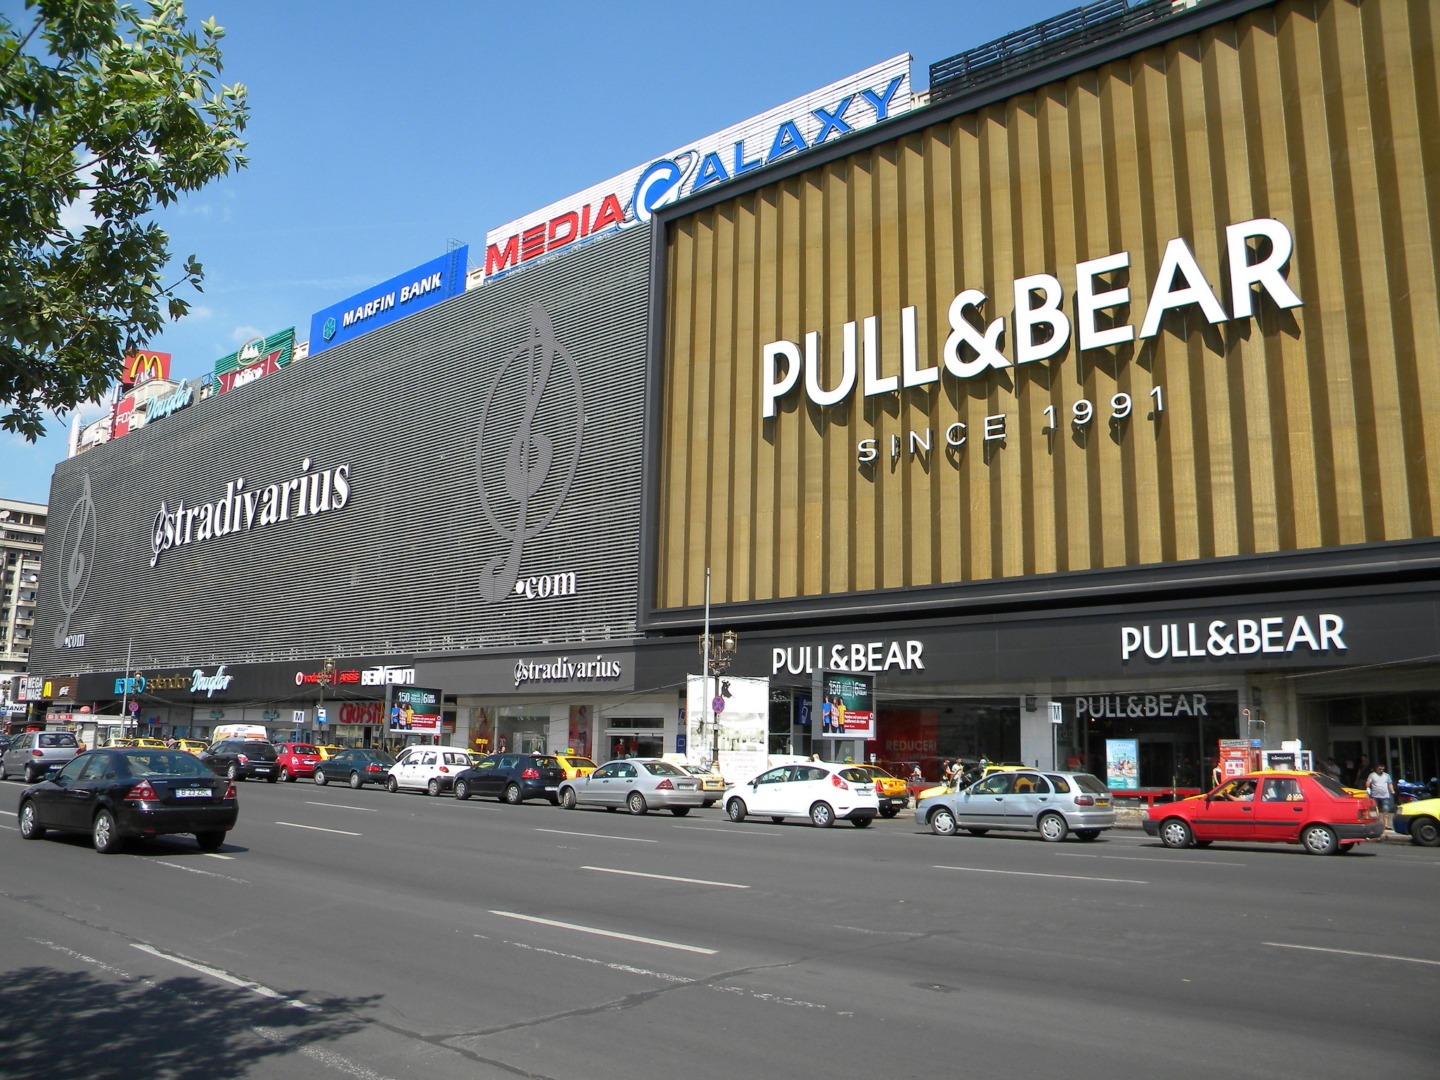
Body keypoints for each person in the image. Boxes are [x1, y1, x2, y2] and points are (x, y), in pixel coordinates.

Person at [1367, 764, 1396, 831]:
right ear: (1376, 768)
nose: (1381, 770)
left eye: (1382, 769)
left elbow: (1390, 784)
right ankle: (1376, 823)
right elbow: (1368, 782)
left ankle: (1386, 824)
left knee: (1385, 810)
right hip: (1375, 795)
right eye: (1380, 769)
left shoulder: (1386, 775)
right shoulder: (1372, 775)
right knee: (1375, 810)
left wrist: (1392, 791)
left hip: (1385, 795)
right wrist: (1367, 787)